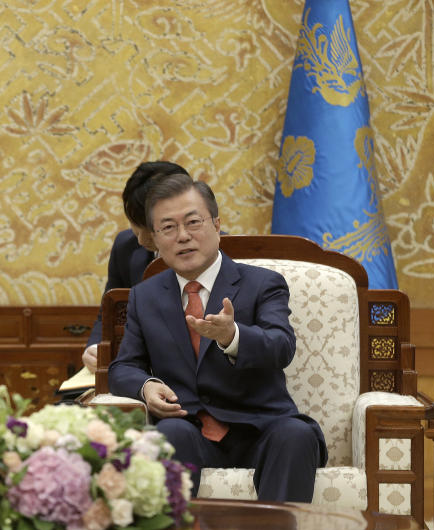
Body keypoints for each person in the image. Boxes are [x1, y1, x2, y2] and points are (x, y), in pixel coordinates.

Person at [107, 174, 325, 502]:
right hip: (189, 430)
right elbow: (123, 367)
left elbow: (281, 346)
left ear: (217, 225)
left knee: (296, 435)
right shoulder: (145, 296)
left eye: (193, 222)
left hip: (262, 428)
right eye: (168, 228)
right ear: (154, 238)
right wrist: (146, 386)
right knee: (167, 434)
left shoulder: (263, 284)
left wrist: (233, 336)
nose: (183, 237)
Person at [81, 161, 189, 372]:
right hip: (135, 370)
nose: (140, 239)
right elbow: (109, 313)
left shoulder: (223, 250)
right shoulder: (126, 246)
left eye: (148, 230)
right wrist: (95, 348)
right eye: (134, 226)